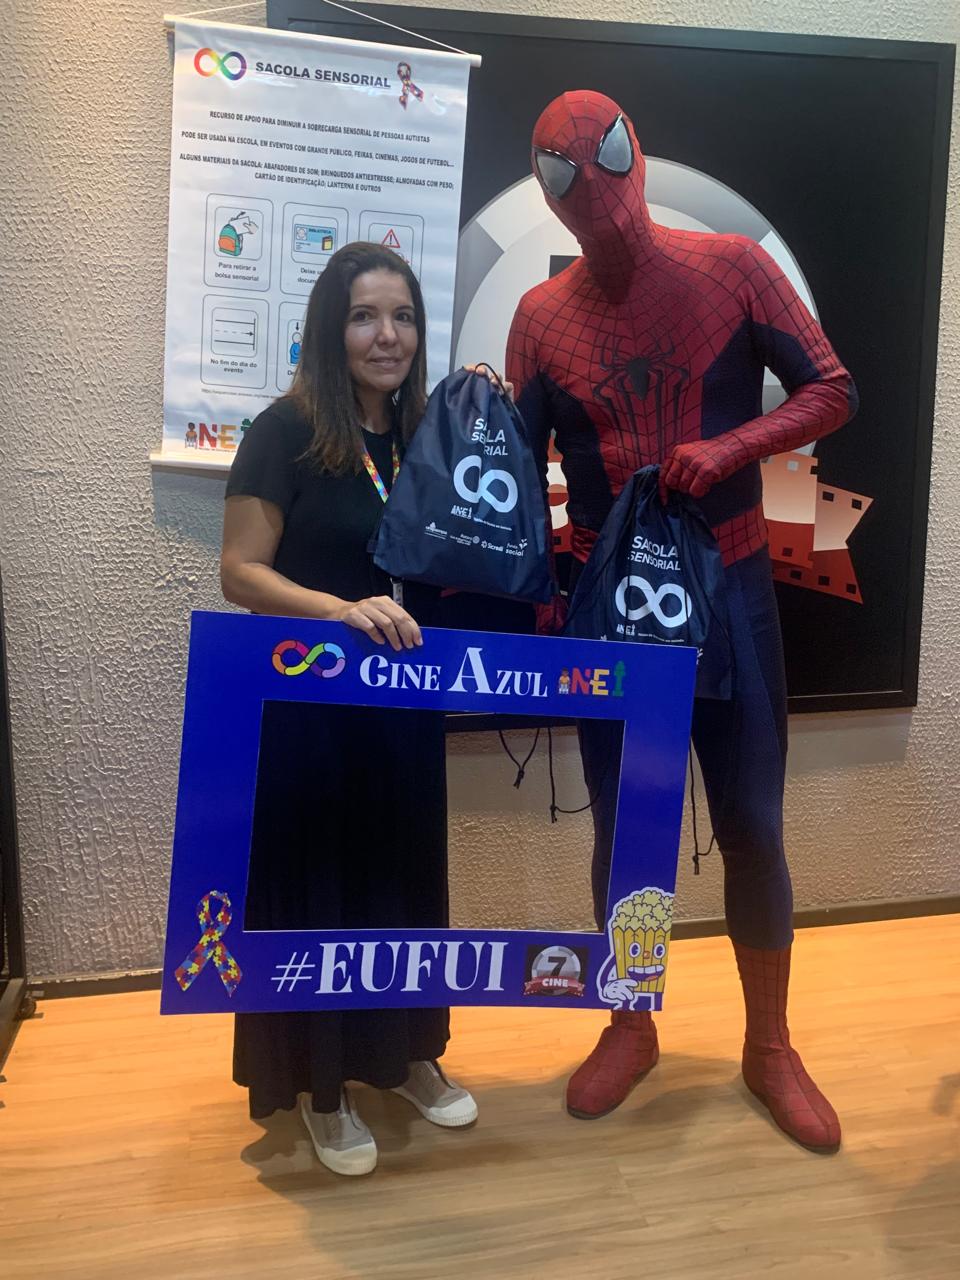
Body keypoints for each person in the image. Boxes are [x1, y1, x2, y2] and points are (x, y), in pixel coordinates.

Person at [507, 91, 858, 1151]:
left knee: (752, 822)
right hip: (611, 606)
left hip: (733, 584)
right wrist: (536, 584)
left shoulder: (733, 268)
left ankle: (770, 1043)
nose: (594, 185)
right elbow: (513, 471)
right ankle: (631, 1020)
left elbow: (831, 388)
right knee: (628, 830)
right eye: (564, 170)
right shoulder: (540, 317)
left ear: (638, 152)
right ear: (547, 192)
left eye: (606, 153)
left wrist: (735, 447)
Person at [221, 241, 496, 1176]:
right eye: (365, 317)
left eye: (404, 317)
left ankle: (407, 1054)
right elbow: (240, 572)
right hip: (312, 717)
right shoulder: (286, 430)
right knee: (323, 891)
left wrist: (489, 417)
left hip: (403, 711)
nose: (388, 336)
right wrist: (339, 611)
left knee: (403, 880)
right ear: (330, 329)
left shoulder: (427, 437)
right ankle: (322, 1087)